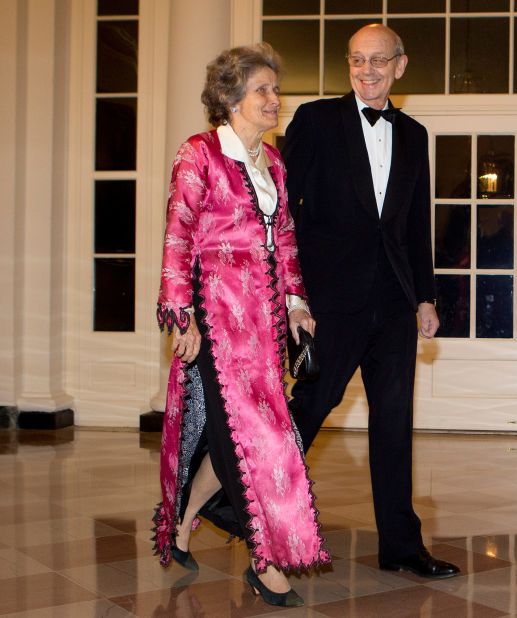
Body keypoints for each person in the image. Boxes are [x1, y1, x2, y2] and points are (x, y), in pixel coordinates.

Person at [153, 43, 329, 608]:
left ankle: (183, 524)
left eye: (276, 90)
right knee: (257, 438)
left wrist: (297, 300)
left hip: (265, 321)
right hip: (216, 314)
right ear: (230, 99)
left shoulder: (272, 162)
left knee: (239, 433)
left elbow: (287, 240)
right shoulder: (199, 154)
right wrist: (181, 315)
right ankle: (264, 558)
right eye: (263, 90)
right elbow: (178, 238)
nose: (275, 100)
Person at [283, 24, 460, 579]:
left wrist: (425, 297)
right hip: (331, 298)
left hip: (393, 301)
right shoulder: (315, 121)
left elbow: (415, 222)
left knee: (394, 423)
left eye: (378, 61)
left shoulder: (415, 135)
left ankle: (402, 547)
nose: (366, 70)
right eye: (357, 60)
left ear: (400, 66)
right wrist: (293, 291)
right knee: (312, 405)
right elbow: (286, 211)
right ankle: (244, 501)